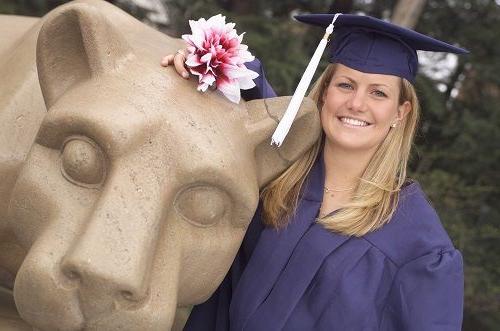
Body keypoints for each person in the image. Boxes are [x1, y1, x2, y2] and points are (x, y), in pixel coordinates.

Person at [162, 13, 467, 331]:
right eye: (346, 85)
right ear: (324, 94)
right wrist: (202, 60)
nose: (356, 103)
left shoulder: (420, 248)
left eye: (379, 93)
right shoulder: (281, 168)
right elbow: (253, 94)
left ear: (400, 113)